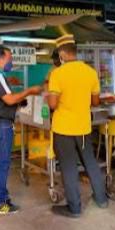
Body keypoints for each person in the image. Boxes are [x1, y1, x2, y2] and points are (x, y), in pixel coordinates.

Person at [47, 35, 108, 218]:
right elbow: (96, 101)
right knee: (90, 162)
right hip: (83, 128)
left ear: (63, 54)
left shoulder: (57, 73)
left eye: (59, 54)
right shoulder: (90, 72)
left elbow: (52, 104)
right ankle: (101, 199)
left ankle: (74, 208)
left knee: (68, 167)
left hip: (63, 129)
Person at [0, 46, 42, 214]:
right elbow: (9, 100)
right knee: (1, 165)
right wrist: (29, 91)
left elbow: (6, 99)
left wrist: (19, 99)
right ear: (1, 58)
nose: (11, 62)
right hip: (0, 125)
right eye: (10, 58)